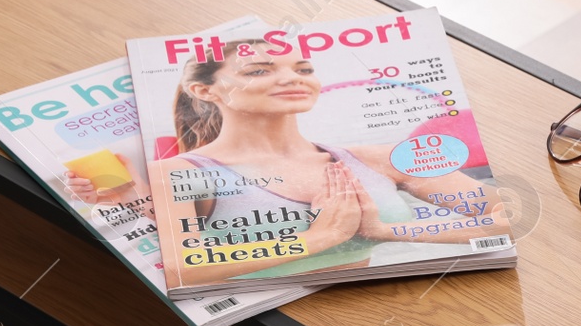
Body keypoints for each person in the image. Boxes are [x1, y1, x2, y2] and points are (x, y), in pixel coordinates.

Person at [134, 39, 496, 281]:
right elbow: (180, 266)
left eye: (303, 69)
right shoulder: (181, 172)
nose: (292, 79)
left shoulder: (380, 158)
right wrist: (321, 237)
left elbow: (507, 216)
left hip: (381, 302)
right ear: (204, 90)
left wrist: (386, 231)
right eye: (258, 70)